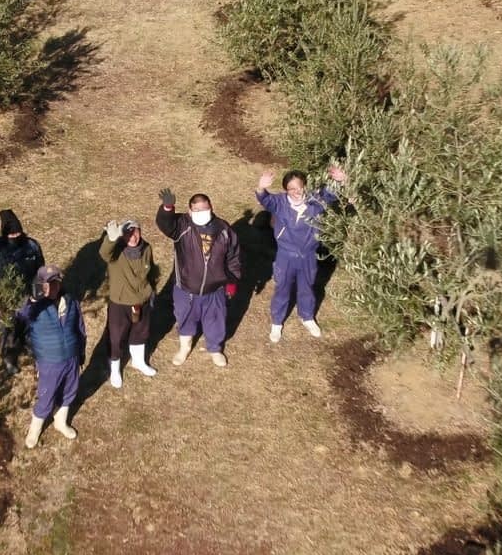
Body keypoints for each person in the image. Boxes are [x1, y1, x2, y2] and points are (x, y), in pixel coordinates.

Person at [255, 165, 344, 342]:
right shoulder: (279, 203)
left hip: (308, 255)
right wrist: (260, 186)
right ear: (286, 190)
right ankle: (277, 322)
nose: (296, 191)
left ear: (305, 185)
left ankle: (307, 317)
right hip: (285, 256)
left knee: (307, 287)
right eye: (291, 189)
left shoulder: (315, 201)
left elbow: (331, 193)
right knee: (282, 288)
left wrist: (340, 180)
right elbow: (264, 199)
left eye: (299, 187)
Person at [156, 188, 241, 367]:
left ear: (211, 207)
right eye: (197, 209)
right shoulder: (182, 225)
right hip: (186, 288)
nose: (201, 212)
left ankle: (215, 348)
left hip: (215, 289)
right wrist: (168, 207)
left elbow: (233, 257)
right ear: (189, 211)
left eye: (205, 208)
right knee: (185, 318)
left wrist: (232, 281)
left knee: (215, 321)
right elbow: (166, 224)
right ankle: (184, 347)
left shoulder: (224, 228)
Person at [13, 265, 84, 449]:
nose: (52, 287)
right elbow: (19, 321)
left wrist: (81, 352)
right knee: (47, 394)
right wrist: (33, 300)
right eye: (47, 284)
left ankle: (61, 421)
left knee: (70, 390)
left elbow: (80, 328)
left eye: (55, 283)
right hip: (49, 361)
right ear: (40, 284)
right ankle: (34, 430)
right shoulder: (33, 306)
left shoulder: (70, 300)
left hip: (71, 357)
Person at [0, 209, 45, 373]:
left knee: (30, 325)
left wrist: (39, 292)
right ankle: (9, 357)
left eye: (18, 233)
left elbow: (40, 269)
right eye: (12, 235)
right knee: (9, 329)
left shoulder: (31, 245)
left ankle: (30, 347)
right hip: (6, 298)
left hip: (28, 295)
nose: (15, 237)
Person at [100, 219, 158, 388]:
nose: (133, 237)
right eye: (128, 233)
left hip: (142, 301)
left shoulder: (146, 248)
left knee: (140, 332)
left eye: (136, 232)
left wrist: (150, 293)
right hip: (120, 302)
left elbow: (150, 271)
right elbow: (104, 253)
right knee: (116, 337)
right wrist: (110, 239)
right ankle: (115, 369)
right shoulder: (116, 252)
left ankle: (138, 361)